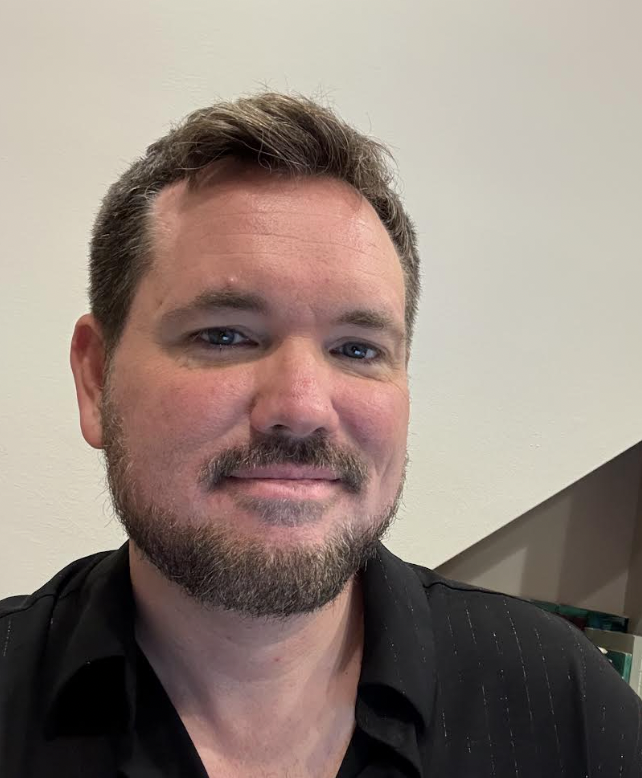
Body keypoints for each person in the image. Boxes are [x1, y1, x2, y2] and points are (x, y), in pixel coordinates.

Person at [0, 92, 640, 778]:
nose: (302, 408)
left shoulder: (567, 706)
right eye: (224, 336)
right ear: (96, 379)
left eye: (357, 349)